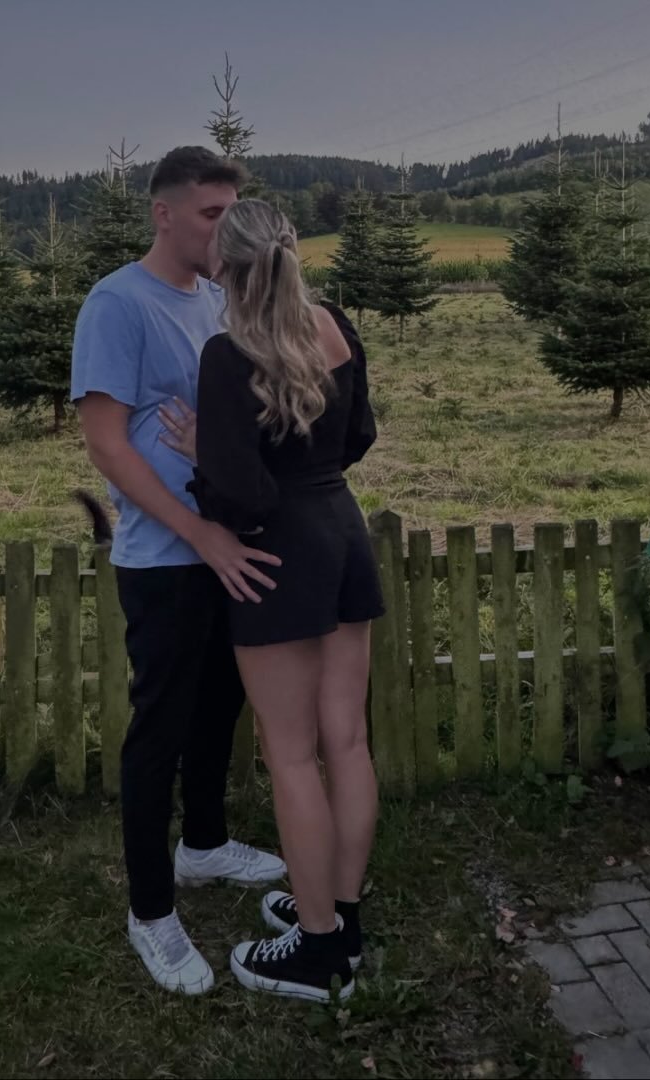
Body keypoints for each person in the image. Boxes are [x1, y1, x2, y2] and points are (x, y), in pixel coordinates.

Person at [70, 147, 287, 997]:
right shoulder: (117, 304)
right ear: (163, 214)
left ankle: (203, 844)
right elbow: (107, 444)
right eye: (211, 214)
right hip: (166, 560)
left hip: (226, 549)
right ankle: (151, 912)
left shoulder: (219, 301)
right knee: (158, 730)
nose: (226, 231)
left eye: (233, 212)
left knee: (219, 706)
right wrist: (199, 532)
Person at [181, 198, 383, 1002]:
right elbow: (359, 436)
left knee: (292, 755)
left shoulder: (228, 355)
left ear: (224, 270)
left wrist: (204, 452)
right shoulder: (334, 326)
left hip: (277, 557)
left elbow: (241, 496)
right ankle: (340, 917)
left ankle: (319, 953)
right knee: (349, 743)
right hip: (344, 534)